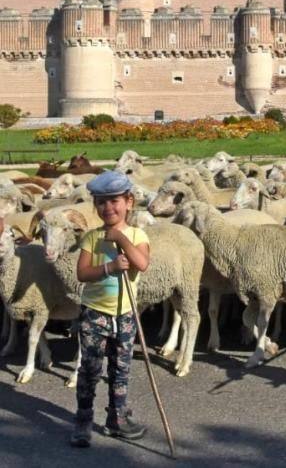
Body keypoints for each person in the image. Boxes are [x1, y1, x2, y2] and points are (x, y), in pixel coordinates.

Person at [70, 171, 150, 448]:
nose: (108, 208)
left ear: (129, 202)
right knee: (90, 369)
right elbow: (82, 273)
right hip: (94, 313)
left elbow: (142, 264)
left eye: (114, 200)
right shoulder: (92, 238)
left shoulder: (138, 234)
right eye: (101, 202)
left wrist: (122, 239)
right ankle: (82, 420)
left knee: (121, 369)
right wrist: (110, 267)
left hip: (125, 315)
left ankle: (117, 417)